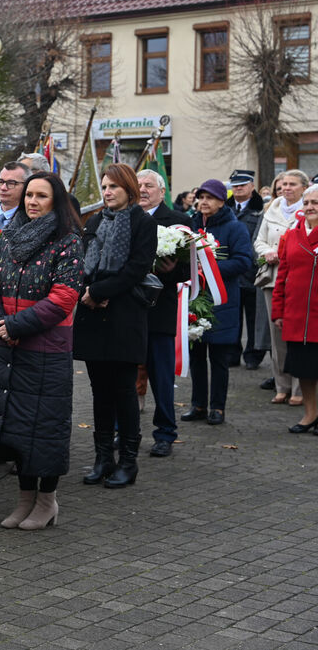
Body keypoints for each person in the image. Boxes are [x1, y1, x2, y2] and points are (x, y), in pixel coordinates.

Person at [0, 172, 83, 528]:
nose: (32, 201)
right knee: (16, 428)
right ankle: (24, 499)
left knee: (46, 430)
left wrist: (15, 326)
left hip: (45, 350)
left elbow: (64, 297)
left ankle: (46, 501)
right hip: (7, 348)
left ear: (56, 201)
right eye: (29, 195)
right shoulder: (9, 235)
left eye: (41, 195)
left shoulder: (68, 241)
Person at [74, 163, 157, 489]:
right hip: (93, 317)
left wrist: (99, 291)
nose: (107, 192)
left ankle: (128, 462)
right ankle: (103, 458)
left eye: (114, 187)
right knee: (100, 391)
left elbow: (137, 268)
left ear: (129, 190)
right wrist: (88, 292)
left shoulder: (141, 222)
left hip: (125, 317)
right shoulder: (95, 221)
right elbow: (82, 263)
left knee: (124, 390)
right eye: (105, 187)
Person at [179, 179, 253, 426]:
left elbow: (244, 261)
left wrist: (209, 269)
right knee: (197, 356)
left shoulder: (235, 228)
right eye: (201, 197)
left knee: (219, 358)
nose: (203, 202)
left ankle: (217, 407)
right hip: (195, 300)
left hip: (222, 300)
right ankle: (198, 404)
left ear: (222, 201)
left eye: (209, 198)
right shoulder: (191, 225)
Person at [137, 169, 191, 458]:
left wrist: (172, 270)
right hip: (128, 312)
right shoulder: (125, 217)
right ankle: (124, 430)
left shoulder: (179, 222)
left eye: (148, 185)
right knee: (125, 377)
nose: (142, 189)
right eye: (137, 185)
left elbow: (189, 269)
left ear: (161, 191)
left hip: (160, 312)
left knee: (161, 378)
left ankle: (165, 433)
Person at [255, 169, 308, 406]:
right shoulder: (272, 210)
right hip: (274, 278)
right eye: (284, 184)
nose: (286, 188)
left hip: (301, 280)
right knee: (277, 336)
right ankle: (282, 386)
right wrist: (267, 251)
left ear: (304, 188)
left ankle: (300, 387)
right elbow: (259, 241)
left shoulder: (309, 210)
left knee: (298, 335)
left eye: (292, 184)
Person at [272, 185, 318, 434]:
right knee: (304, 370)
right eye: (307, 202)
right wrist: (278, 311)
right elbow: (282, 276)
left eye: (316, 203)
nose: (310, 207)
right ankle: (310, 414)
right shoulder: (291, 235)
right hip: (298, 315)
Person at [226, 170, 265, 370]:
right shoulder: (225, 208)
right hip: (231, 271)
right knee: (232, 315)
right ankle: (232, 353)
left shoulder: (261, 209)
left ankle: (253, 355)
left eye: (242, 185)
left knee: (253, 316)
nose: (238, 188)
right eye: (235, 185)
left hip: (252, 271)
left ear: (252, 186)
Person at [0, 162, 31, 232]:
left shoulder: (30, 223)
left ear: (26, 186)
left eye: (11, 183)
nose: (3, 188)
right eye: (1, 182)